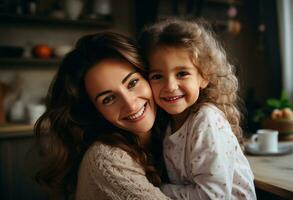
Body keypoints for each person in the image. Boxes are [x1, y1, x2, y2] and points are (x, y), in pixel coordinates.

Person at [34, 31, 172, 200]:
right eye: (108, 99)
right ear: (95, 110)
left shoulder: (170, 130)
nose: (130, 104)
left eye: (133, 83)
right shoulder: (107, 160)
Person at [138, 18, 257, 199]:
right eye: (157, 76)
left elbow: (213, 196)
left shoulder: (206, 120)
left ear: (204, 76)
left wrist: (156, 189)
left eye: (182, 73)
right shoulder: (168, 124)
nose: (170, 86)